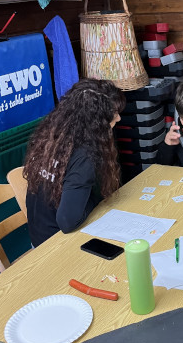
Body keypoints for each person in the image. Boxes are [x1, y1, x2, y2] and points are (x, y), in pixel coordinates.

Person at [23, 78, 126, 247]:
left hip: (38, 239)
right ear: (97, 121)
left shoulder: (51, 136)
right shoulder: (85, 156)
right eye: (114, 113)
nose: (119, 118)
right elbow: (66, 221)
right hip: (56, 247)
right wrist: (93, 202)